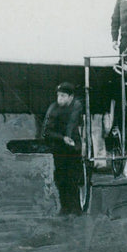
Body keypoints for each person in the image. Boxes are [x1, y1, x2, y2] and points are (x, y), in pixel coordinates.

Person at [42, 82, 85, 215]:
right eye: (58, 95)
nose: (59, 99)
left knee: (73, 178)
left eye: (63, 96)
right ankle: (65, 208)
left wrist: (69, 137)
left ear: (70, 97)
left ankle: (76, 209)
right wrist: (63, 138)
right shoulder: (53, 109)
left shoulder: (77, 105)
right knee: (61, 179)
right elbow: (46, 131)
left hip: (73, 148)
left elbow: (72, 123)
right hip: (60, 148)